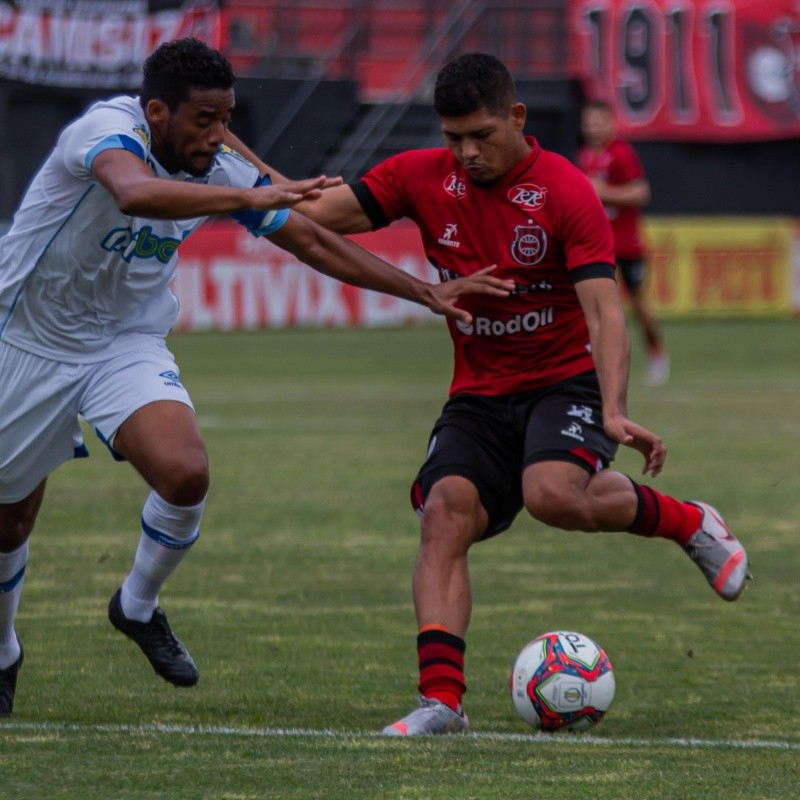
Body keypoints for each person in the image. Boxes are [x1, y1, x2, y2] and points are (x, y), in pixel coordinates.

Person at [0, 39, 513, 717]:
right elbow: (132, 194)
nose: (217, 137)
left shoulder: (219, 166)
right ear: (157, 112)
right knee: (10, 520)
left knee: (186, 473)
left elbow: (311, 239)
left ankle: (136, 604)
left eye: (226, 120)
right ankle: (4, 648)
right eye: (203, 122)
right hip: (26, 337)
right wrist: (243, 189)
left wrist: (421, 290)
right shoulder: (107, 133)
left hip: (122, 341)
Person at [252, 52, 751, 736]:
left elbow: (606, 313)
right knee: (444, 514)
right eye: (453, 136)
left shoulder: (566, 191)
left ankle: (690, 523)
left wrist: (613, 409)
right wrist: (247, 180)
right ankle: (441, 703)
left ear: (517, 117)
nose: (465, 152)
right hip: (479, 394)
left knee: (553, 495)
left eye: (481, 135)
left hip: (563, 381)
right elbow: (312, 216)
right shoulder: (418, 177)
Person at [576, 100, 670, 387]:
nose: (594, 127)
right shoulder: (584, 157)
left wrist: (604, 192)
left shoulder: (621, 153)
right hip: (594, 245)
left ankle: (656, 353)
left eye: (599, 121)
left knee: (639, 306)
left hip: (626, 245)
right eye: (589, 122)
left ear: (611, 123)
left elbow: (641, 192)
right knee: (591, 308)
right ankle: (590, 367)